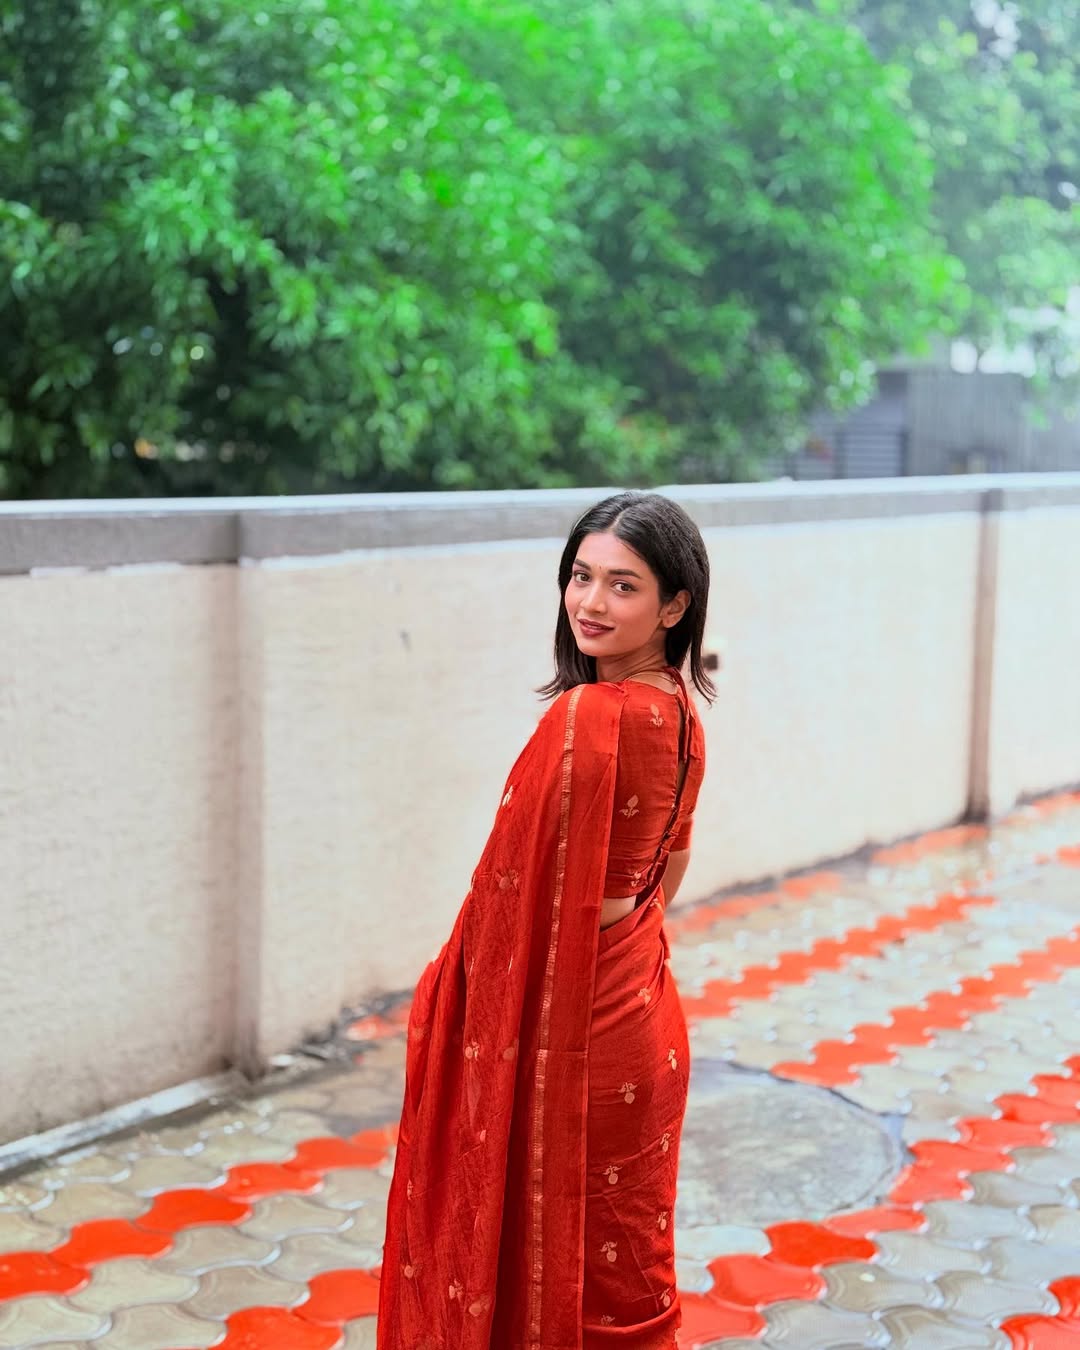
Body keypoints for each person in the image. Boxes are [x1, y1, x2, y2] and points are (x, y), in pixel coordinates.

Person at [378, 491, 713, 1349]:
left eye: (624, 586)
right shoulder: (679, 712)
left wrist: (453, 997)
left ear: (674, 605)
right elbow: (664, 874)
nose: (591, 603)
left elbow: (511, 891)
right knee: (620, 1281)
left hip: (583, 1045)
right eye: (581, 576)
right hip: (642, 1020)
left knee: (559, 1283)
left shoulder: (589, 718)